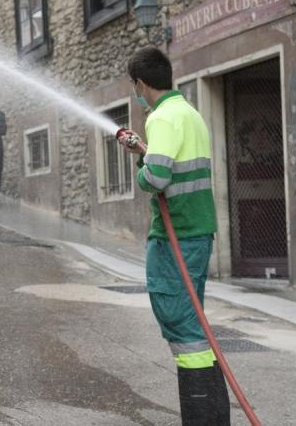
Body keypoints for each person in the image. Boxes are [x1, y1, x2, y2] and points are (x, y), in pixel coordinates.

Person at [118, 47, 229, 425]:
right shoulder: (189, 113)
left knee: (180, 321)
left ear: (140, 84)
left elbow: (157, 178)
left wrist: (142, 171)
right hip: (195, 230)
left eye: (133, 86)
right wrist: (143, 151)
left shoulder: (162, 117)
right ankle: (212, 415)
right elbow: (175, 165)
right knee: (191, 319)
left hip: (175, 234)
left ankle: (202, 416)